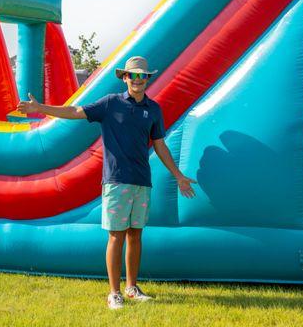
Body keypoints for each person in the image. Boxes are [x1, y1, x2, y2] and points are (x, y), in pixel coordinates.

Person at [17, 55, 196, 310]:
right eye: (133, 75)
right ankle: (114, 293)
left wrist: (178, 176)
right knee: (116, 236)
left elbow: (159, 144)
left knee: (135, 235)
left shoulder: (153, 110)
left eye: (143, 76)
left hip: (141, 182)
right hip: (116, 181)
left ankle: (132, 288)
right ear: (125, 77)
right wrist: (42, 109)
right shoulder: (111, 104)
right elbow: (76, 111)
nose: (138, 80)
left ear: (148, 79)